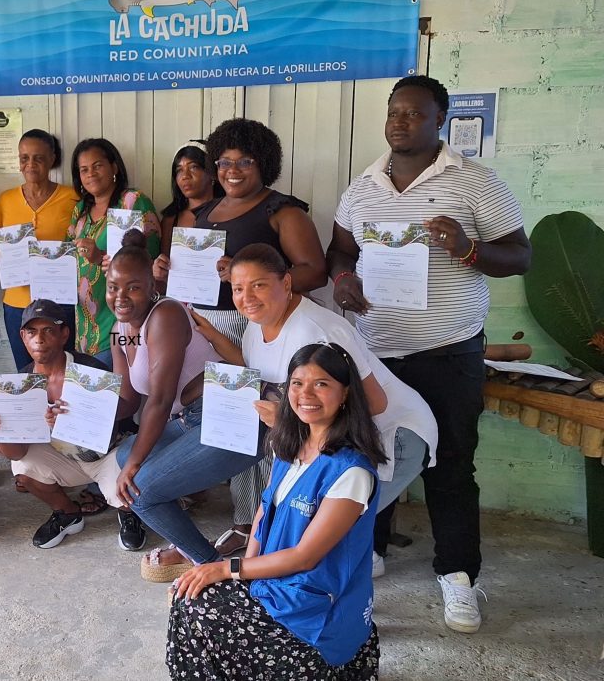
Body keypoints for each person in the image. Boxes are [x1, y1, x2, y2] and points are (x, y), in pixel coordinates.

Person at [327, 75, 531, 633]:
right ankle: (370, 550)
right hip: (375, 355)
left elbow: (520, 256)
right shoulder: (364, 185)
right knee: (370, 458)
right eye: (394, 112)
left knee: (451, 465)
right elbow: (340, 251)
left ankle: (458, 576)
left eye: (414, 114)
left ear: (439, 120)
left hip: (448, 352)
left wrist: (467, 247)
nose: (399, 121)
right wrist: (344, 279)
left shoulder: (473, 182)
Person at [197, 243, 437, 578]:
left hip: (393, 434)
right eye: (238, 288)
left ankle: (338, 608)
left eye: (259, 285)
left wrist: (284, 417)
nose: (247, 297)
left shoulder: (317, 330)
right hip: (341, 440)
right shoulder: (257, 325)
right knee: (322, 530)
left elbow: (376, 403)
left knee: (318, 534)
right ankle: (360, 564)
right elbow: (256, 368)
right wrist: (208, 333)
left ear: (286, 284)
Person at [167, 343, 384, 680]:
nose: (306, 394)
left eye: (321, 384)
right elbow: (262, 514)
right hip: (276, 588)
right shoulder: (291, 448)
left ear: (345, 394)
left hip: (314, 610)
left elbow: (304, 557)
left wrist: (228, 568)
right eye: (297, 384)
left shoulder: (350, 472)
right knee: (188, 596)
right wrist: (244, 579)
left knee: (200, 608)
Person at [188, 117, 329, 558]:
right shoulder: (206, 212)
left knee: (269, 428)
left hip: (257, 330)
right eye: (224, 161)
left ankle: (277, 524)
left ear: (263, 163)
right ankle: (244, 521)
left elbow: (314, 270)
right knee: (234, 429)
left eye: (244, 161)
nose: (232, 170)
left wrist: (245, 276)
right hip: (208, 328)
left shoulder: (282, 211)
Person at [102, 230, 259, 562]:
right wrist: (69, 413)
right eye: (113, 287)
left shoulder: (165, 315)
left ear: (153, 287)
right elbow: (128, 401)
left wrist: (134, 465)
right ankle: (190, 548)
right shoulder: (121, 331)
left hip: (228, 416)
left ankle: (210, 567)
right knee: (125, 455)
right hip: (191, 418)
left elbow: (159, 399)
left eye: (133, 287)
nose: (121, 296)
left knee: (138, 490)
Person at [0, 299, 135, 549]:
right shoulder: (21, 385)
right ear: (22, 336)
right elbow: (16, 452)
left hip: (102, 456)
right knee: (23, 465)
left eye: (48, 330)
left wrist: (75, 417)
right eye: (32, 332)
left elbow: (124, 412)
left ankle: (129, 515)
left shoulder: (88, 369)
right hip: (62, 460)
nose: (39, 339)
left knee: (127, 489)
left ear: (64, 334)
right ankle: (67, 513)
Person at [0, 129, 79, 369]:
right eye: (24, 158)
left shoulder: (72, 198)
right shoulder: (6, 200)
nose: (30, 164)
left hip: (60, 300)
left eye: (38, 157)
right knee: (26, 372)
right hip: (17, 303)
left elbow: (84, 240)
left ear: (52, 159)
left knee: (64, 370)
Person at [66, 138, 161, 366]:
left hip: (120, 318)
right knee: (92, 395)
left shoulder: (132, 202)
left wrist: (99, 257)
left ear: (114, 167)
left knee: (118, 391)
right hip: (85, 326)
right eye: (84, 170)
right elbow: (67, 255)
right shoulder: (80, 210)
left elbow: (148, 262)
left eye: (98, 166)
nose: (91, 174)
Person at [153, 142, 223, 285]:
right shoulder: (171, 219)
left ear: (212, 173)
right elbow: (165, 269)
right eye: (179, 170)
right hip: (180, 302)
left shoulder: (230, 213)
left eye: (193, 167)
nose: (185, 176)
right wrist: (159, 270)